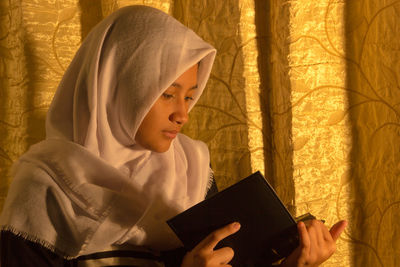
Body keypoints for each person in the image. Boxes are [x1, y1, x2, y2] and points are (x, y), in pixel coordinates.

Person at [0, 5, 346, 267]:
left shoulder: (192, 174)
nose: (183, 114)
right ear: (116, 88)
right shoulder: (43, 191)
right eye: (168, 94)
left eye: (190, 95)